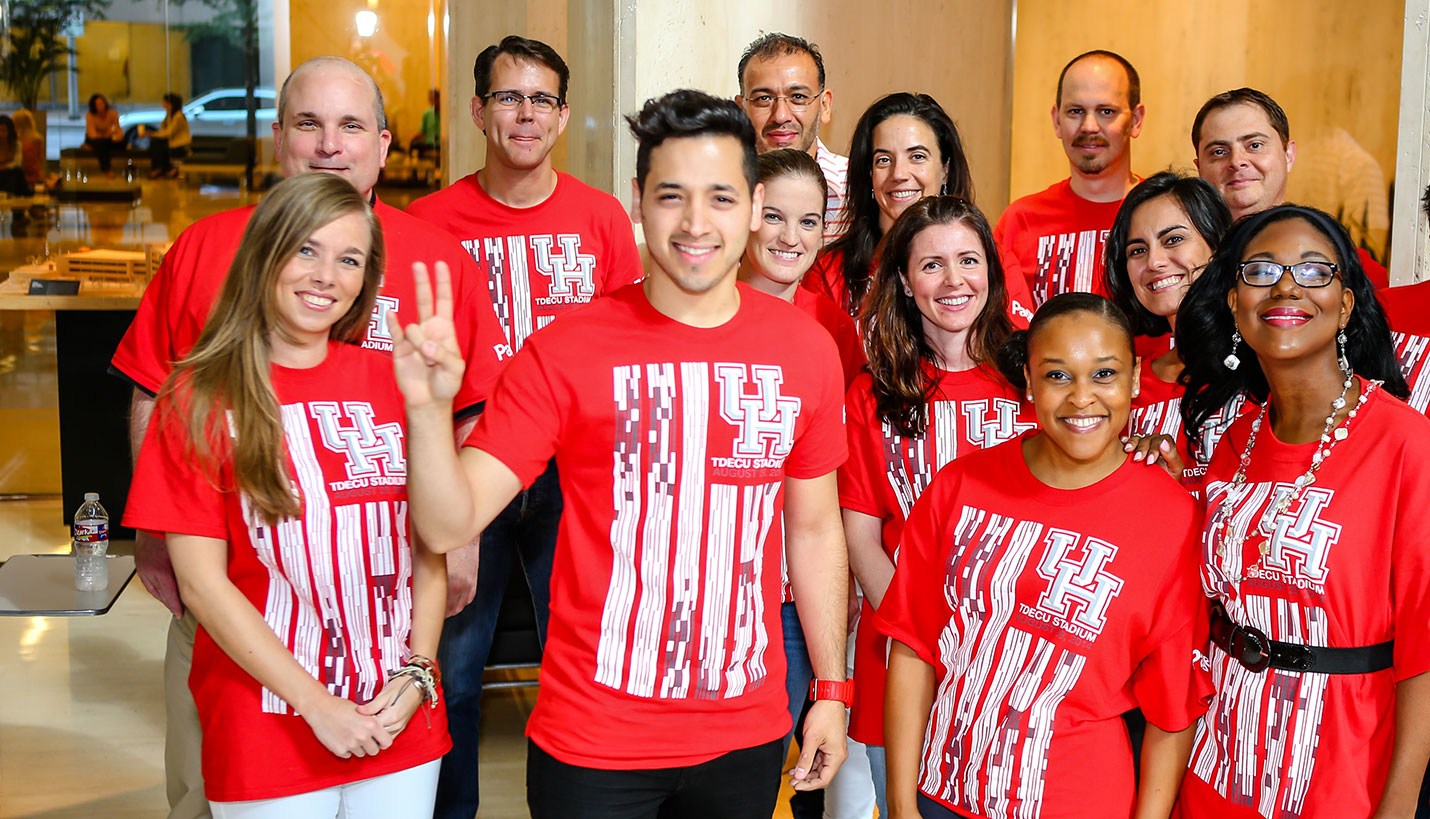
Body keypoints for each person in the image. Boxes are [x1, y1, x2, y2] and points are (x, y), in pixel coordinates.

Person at [392, 89, 851, 817]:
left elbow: (815, 526)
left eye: (721, 197)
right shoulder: (566, 350)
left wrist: (829, 688)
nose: (697, 224)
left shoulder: (805, 351)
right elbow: (450, 525)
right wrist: (425, 410)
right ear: (638, 199)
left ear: (755, 203)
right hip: (593, 739)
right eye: (672, 196)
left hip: (747, 732)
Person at [110, 56, 506, 819]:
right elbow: (154, 388)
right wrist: (160, 530)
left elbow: (465, 411)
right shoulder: (204, 251)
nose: (330, 143)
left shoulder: (431, 267)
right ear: (277, 137)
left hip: (387, 631)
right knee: (202, 779)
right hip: (241, 607)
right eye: (308, 123)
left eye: (350, 125)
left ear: (383, 144)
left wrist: (461, 539)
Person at [121, 171, 450, 817]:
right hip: (266, 724)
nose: (326, 274)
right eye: (306, 248)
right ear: (264, 253)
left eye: (349, 258)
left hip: (398, 717)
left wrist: (419, 671)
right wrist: (318, 704)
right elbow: (203, 584)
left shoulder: (395, 381)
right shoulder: (197, 398)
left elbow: (430, 544)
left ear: (366, 280)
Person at [403, 34, 642, 819]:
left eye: (541, 99)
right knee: (455, 675)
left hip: (576, 479)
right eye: (508, 97)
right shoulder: (428, 223)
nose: (525, 114)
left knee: (582, 665)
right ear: (478, 110)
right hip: (470, 473)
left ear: (564, 115)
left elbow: (629, 347)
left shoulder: (601, 218)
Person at [879, 292, 1207, 819]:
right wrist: (900, 806)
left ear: (1136, 380)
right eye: (1057, 376)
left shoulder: (1173, 519)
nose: (1082, 398)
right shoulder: (961, 485)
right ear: (1028, 382)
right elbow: (913, 647)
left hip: (1076, 799)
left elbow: (1172, 710)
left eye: (1104, 375)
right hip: (939, 793)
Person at [1174, 204, 1430, 817]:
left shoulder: (1404, 444)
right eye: (1259, 270)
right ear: (1234, 302)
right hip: (1217, 766)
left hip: (1341, 772)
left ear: (1345, 304)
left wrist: (1397, 806)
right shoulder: (1235, 441)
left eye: (1314, 271)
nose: (1286, 285)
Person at [840, 195, 1034, 817]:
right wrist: (924, 637)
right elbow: (861, 535)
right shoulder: (872, 394)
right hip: (904, 654)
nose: (954, 282)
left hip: (1018, 664)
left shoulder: (1036, 379)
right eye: (932, 265)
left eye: (969, 261)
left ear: (993, 273)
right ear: (903, 280)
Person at [735, 146, 869, 819]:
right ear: (747, 216)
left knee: (802, 762)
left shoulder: (829, 324)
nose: (791, 237)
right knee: (738, 772)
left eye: (809, 221)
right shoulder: (711, 312)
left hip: (793, 593)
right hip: (721, 590)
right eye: (775, 217)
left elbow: (833, 466)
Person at [805, 92, 1034, 324]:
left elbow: (1017, 351)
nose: (899, 174)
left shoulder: (993, 261)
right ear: (869, 174)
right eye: (883, 160)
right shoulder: (829, 272)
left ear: (945, 169)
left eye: (917, 156)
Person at [1103, 172, 1240, 486]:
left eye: (1173, 240)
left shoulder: (1266, 371)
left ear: (1218, 244)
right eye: (1137, 250)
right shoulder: (1123, 384)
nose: (1154, 262)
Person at [1192, 87, 1389, 288]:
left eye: (1255, 145)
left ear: (1289, 155)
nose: (1237, 161)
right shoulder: (1177, 265)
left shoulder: (1344, 265)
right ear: (1199, 168)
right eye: (1218, 152)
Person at [736, 32, 849, 242]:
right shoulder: (720, 190)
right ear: (741, 110)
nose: (780, 116)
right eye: (763, 99)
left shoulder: (860, 187)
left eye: (798, 97)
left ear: (824, 106)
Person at [141, 92, 191, 179]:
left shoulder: (178, 116)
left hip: (179, 144)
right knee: (156, 143)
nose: (163, 104)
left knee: (157, 145)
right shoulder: (169, 114)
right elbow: (164, 129)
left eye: (164, 102)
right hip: (173, 142)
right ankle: (160, 168)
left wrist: (152, 134)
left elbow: (169, 132)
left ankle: (159, 169)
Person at [84, 93, 125, 177]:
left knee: (122, 142)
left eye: (102, 103)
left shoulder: (112, 113)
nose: (101, 106)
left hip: (108, 139)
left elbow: (118, 130)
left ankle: (89, 147)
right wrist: (107, 134)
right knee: (99, 144)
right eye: (98, 105)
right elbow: (93, 134)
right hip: (96, 140)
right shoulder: (90, 116)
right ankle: (107, 169)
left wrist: (115, 135)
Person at [12, 109, 48, 189]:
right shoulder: (38, 139)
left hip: (21, 178)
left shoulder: (18, 141)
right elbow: (40, 159)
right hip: (36, 177)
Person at [0, 115, 30, 195]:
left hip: (11, 173)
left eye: (3, 130)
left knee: (16, 172)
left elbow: (17, 162)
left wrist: (4, 167)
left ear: (9, 131)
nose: (1, 134)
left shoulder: (15, 144)